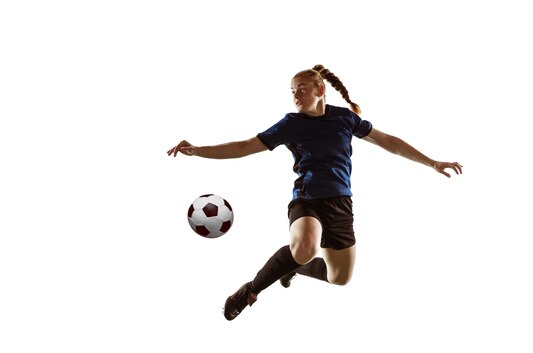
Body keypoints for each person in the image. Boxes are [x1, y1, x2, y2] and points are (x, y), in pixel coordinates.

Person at [167, 65, 462, 321]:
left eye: (302, 89)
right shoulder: (291, 124)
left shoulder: (344, 118)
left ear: (320, 89)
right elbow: (245, 146)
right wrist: (198, 151)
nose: (296, 94)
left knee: (340, 278)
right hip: (306, 201)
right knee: (305, 246)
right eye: (292, 90)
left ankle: (291, 269)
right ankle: (251, 290)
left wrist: (432, 162)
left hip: (341, 204)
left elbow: (390, 142)